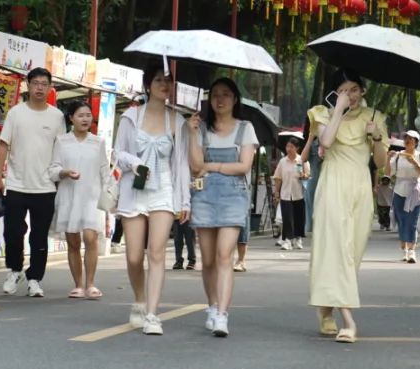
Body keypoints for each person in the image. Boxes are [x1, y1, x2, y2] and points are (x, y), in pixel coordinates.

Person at [306, 69, 387, 343]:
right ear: (334, 93)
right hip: (333, 184)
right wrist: (338, 109)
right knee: (337, 248)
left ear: (363, 91)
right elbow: (326, 142)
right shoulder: (321, 114)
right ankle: (348, 321)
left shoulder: (374, 117)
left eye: (354, 89)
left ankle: (326, 308)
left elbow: (380, 163)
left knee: (352, 253)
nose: (349, 94)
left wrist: (376, 137)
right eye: (343, 90)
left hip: (361, 187)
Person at [114, 65, 190, 335]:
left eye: (168, 80)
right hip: (134, 189)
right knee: (135, 256)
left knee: (156, 252)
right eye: (158, 80)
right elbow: (117, 153)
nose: (164, 84)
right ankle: (139, 299)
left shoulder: (177, 121)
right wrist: (134, 163)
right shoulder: (131, 116)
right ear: (147, 85)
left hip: (164, 189)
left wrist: (185, 201)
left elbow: (181, 164)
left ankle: (152, 315)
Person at [188, 78, 257, 338]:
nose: (220, 99)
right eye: (215, 94)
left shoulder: (245, 128)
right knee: (207, 260)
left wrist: (213, 166)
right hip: (204, 195)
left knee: (224, 255)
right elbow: (195, 166)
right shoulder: (201, 129)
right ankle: (212, 305)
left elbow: (244, 166)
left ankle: (222, 315)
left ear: (235, 99)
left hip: (233, 196)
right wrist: (191, 133)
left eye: (226, 94)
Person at [0, 67, 63, 298]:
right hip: (16, 184)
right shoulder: (16, 113)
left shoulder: (57, 116)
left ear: (50, 88)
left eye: (44, 83)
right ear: (28, 86)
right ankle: (14, 270)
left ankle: (35, 278)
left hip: (45, 186)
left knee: (39, 236)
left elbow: (61, 149)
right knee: (13, 232)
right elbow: (3, 145)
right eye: (36, 83)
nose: (40, 87)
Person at [47, 100, 108, 299]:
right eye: (80, 115)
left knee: (90, 238)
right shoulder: (62, 141)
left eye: (88, 115)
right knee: (73, 242)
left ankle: (91, 284)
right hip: (69, 195)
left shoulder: (98, 142)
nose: (85, 119)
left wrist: (110, 191)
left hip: (92, 196)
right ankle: (78, 285)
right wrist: (64, 172)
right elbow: (53, 169)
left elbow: (104, 171)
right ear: (71, 118)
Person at [388, 130, 420, 264]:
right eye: (406, 138)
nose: (408, 141)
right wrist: (387, 158)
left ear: (416, 142)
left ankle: (412, 251)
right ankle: (404, 249)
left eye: (411, 139)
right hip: (400, 190)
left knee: (412, 222)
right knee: (401, 220)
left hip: (415, 191)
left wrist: (415, 163)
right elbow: (389, 173)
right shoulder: (398, 156)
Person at [272, 137, 309, 251]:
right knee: (287, 218)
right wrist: (276, 192)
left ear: (297, 148)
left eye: (292, 147)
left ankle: (298, 239)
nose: (289, 149)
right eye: (287, 146)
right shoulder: (283, 162)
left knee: (298, 218)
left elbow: (308, 175)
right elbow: (278, 178)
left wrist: (304, 175)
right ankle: (287, 240)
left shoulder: (302, 160)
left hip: (298, 194)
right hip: (285, 194)